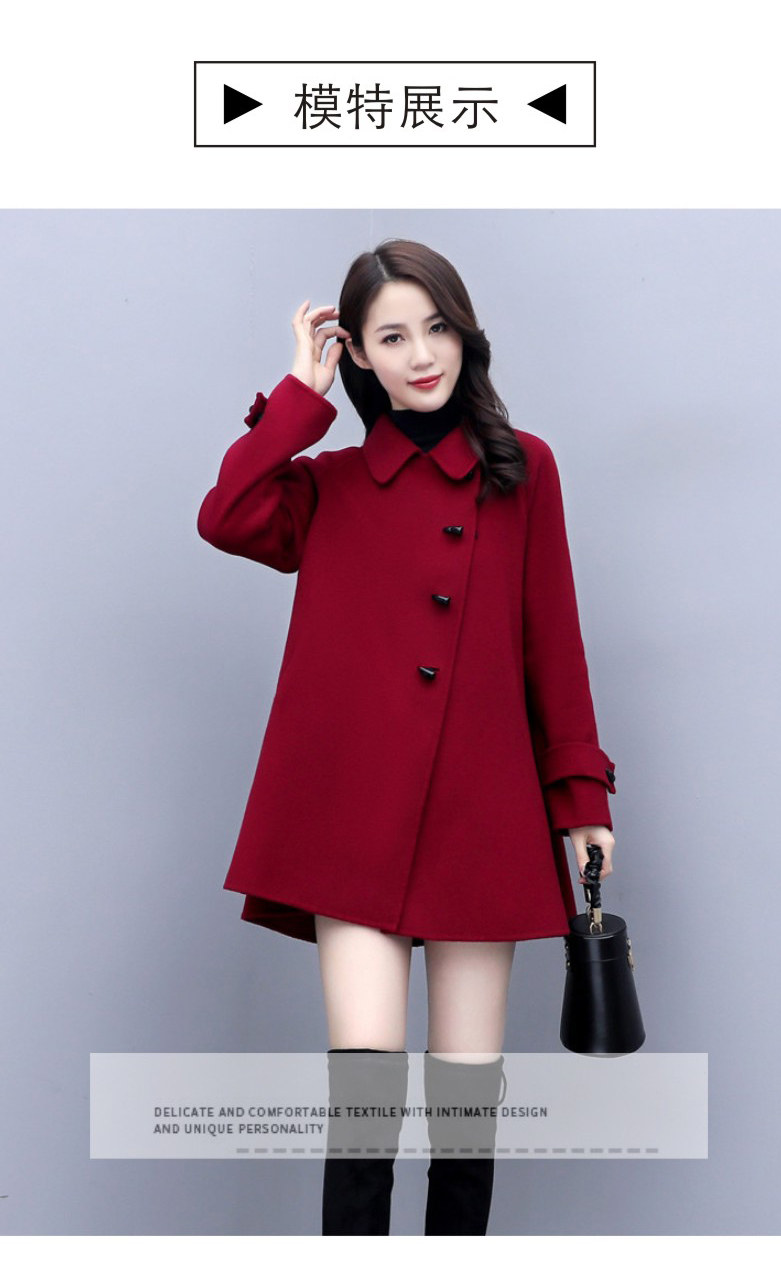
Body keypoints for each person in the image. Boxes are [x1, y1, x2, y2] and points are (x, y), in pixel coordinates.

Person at [197, 239, 617, 1236]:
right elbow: (227, 515)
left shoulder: (524, 470)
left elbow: (554, 644)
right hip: (352, 825)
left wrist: (581, 802)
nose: (422, 355)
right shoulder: (328, 483)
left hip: (483, 816)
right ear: (357, 354)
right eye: (391, 337)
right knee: (365, 1106)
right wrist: (296, 400)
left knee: (467, 1115)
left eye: (437, 328)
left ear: (466, 335)